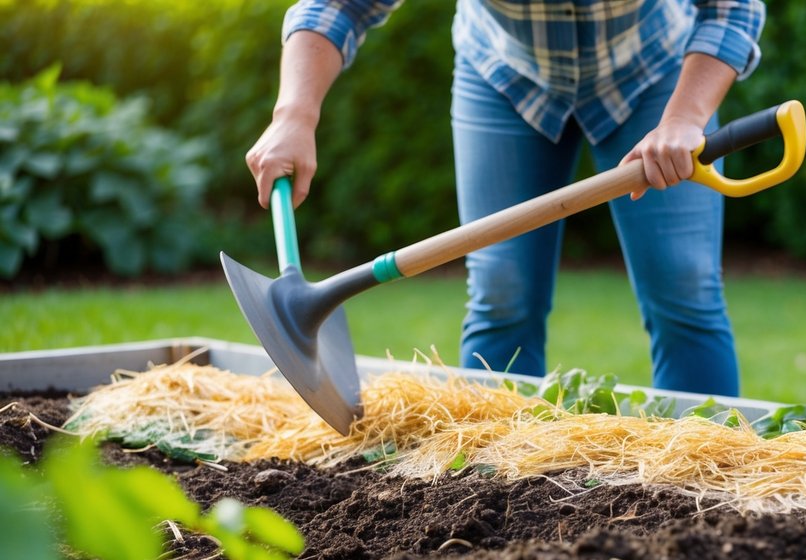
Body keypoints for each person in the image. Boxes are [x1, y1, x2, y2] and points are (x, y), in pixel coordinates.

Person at [246, 0, 766, 397]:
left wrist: (683, 119)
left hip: (655, 72)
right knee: (502, 291)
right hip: (504, 74)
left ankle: (712, 498)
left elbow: (731, 8)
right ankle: (496, 498)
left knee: (684, 286)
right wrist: (294, 114)